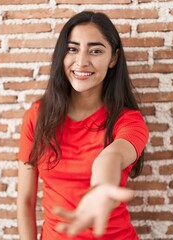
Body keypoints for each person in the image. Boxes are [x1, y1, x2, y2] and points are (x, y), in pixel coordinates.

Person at [17, 11, 149, 240]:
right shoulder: (37, 116)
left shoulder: (129, 121)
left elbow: (112, 156)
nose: (81, 61)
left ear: (113, 58)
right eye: (73, 49)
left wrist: (100, 188)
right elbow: (26, 201)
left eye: (95, 50)